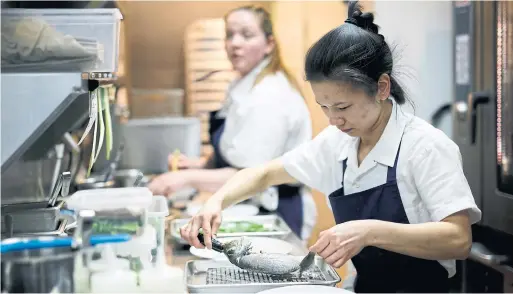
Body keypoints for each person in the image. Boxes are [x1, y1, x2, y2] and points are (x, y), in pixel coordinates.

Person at [179, 2, 482, 293]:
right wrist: (216, 202)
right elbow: (263, 174)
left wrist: (368, 231)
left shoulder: (425, 147)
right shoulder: (338, 142)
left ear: (381, 87)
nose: (334, 119)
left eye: (343, 106)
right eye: (324, 107)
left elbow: (458, 238)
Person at [149, 5, 316, 241]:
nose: (234, 43)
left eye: (247, 35)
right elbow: (236, 147)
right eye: (229, 35)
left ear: (269, 44)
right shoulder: (242, 84)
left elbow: (252, 174)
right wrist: (199, 165)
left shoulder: (269, 95)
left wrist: (183, 179)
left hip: (276, 209)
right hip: (248, 203)